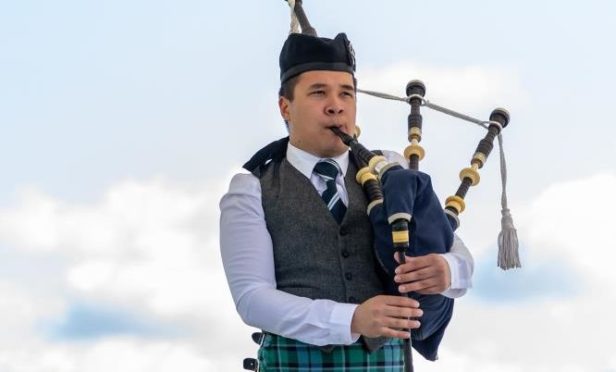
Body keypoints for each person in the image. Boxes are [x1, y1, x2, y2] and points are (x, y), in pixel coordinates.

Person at [220, 32, 473, 371]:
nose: (336, 105)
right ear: (285, 107)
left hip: (384, 363)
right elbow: (252, 299)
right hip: (295, 364)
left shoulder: (390, 171)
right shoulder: (251, 189)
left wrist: (448, 270)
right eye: (318, 92)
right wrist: (351, 319)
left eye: (346, 93)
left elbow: (458, 253)